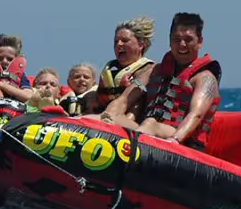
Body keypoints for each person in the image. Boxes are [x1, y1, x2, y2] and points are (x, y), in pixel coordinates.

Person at [103, 13, 221, 151]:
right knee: (111, 117)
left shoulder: (205, 78)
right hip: (147, 131)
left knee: (150, 124)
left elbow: (196, 114)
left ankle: (130, 150)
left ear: (200, 42)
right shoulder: (154, 71)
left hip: (184, 142)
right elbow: (123, 100)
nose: (182, 45)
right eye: (176, 39)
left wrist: (174, 140)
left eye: (188, 40)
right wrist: (107, 116)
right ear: (169, 41)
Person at [85, 17, 155, 117]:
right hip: (102, 117)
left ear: (141, 45)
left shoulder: (148, 70)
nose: (119, 44)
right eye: (116, 41)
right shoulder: (110, 70)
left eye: (125, 40)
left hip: (131, 120)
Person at [0, 35, 33, 102]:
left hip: (13, 105)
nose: (4, 61)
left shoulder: (20, 75)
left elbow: (28, 96)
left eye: (10, 59)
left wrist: (2, 85)